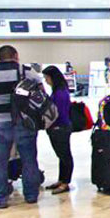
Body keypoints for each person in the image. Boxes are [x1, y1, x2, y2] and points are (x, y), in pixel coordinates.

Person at [0, 45, 45, 208]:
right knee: (29, 159)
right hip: (24, 122)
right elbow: (41, 95)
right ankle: (31, 195)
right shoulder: (27, 72)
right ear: (15, 55)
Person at [41, 66, 74, 195]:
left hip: (60, 127)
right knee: (61, 155)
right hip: (57, 127)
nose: (46, 81)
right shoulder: (58, 91)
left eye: (47, 78)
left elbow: (57, 113)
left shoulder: (60, 93)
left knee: (65, 155)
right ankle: (61, 179)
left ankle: (66, 182)